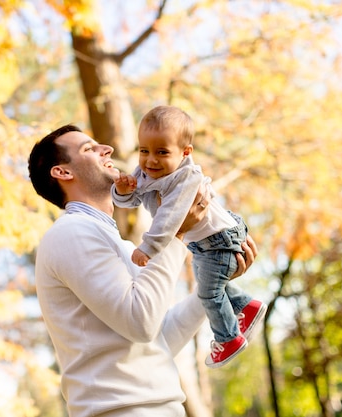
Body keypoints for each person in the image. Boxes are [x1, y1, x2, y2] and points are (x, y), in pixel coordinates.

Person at [28, 124, 257, 417]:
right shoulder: (70, 233)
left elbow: (156, 340)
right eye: (88, 148)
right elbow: (141, 323)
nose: (106, 149)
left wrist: (213, 282)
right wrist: (175, 233)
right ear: (63, 173)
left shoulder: (118, 244)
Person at [111, 105, 267, 369]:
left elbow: (170, 217)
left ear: (185, 153)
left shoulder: (186, 178)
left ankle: (228, 338)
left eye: (162, 152)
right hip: (205, 244)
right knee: (210, 286)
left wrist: (149, 247)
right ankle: (244, 305)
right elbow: (131, 201)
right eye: (144, 151)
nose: (150, 160)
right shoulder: (148, 172)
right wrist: (123, 192)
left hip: (221, 241)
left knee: (208, 294)